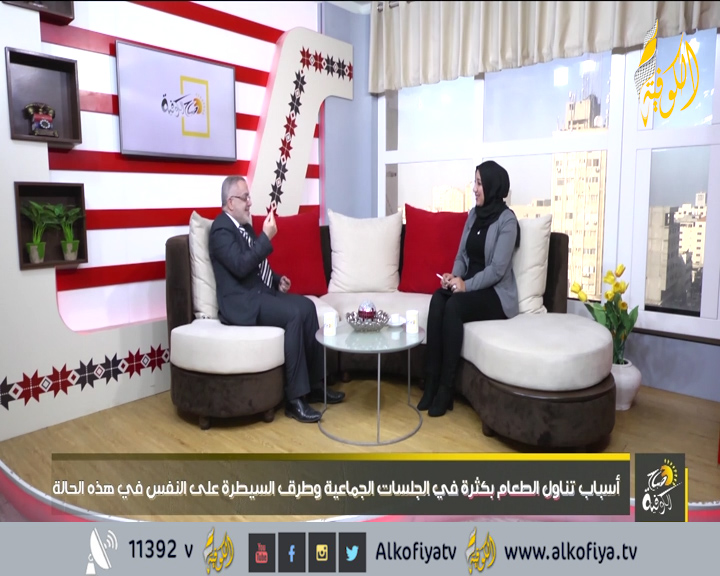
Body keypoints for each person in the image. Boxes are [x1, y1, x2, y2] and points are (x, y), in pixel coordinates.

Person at [208, 176, 345, 423]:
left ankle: (315, 385)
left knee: (307, 306)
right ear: (230, 203)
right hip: (241, 304)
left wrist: (276, 279)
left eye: (249, 197)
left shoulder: (244, 227)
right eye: (245, 198)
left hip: (259, 293)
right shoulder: (220, 230)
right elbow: (240, 266)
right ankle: (295, 400)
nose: (250, 202)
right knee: (293, 315)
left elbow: (255, 266)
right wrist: (266, 237)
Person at [419, 160, 521, 417]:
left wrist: (465, 286)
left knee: (454, 306)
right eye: (474, 182)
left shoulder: (507, 221)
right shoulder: (474, 215)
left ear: (492, 186)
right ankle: (431, 382)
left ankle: (446, 389)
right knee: (438, 299)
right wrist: (454, 276)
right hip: (470, 286)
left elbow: (497, 270)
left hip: (495, 294)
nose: (474, 188)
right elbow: (463, 255)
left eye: (479, 183)